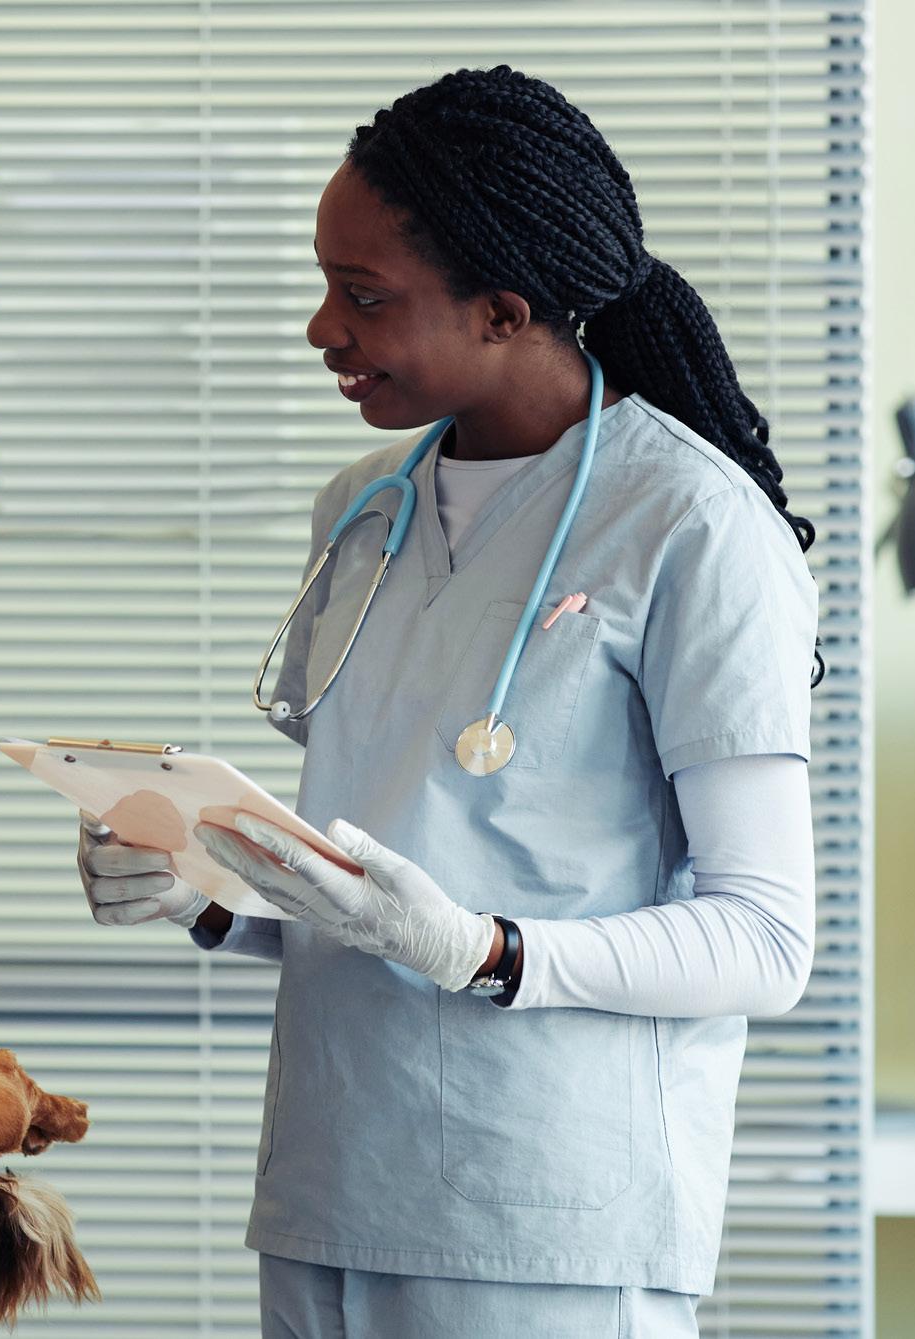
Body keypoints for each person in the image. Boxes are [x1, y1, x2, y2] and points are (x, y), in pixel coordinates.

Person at [78, 67, 819, 1338]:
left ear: (502, 311)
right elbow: (376, 897)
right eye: (324, 285)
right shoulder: (361, 510)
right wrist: (201, 894)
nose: (321, 328)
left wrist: (484, 952)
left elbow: (762, 941)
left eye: (363, 296)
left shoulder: (693, 525)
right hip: (328, 1191)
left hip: (547, 1221)